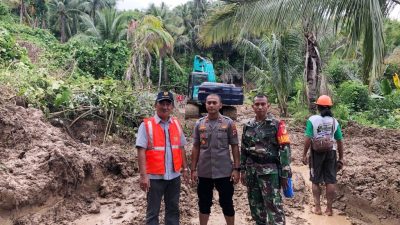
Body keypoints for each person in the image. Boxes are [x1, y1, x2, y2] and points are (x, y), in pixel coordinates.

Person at [136, 91, 189, 225]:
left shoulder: (176, 124)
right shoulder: (146, 125)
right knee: (153, 212)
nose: (165, 107)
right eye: (162, 103)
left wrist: (185, 168)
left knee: (173, 210)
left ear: (172, 107)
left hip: (174, 177)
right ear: (155, 105)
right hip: (154, 178)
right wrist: (143, 176)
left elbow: (181, 147)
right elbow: (141, 150)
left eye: (168, 104)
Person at [240, 94, 291, 225]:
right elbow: (244, 149)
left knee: (274, 207)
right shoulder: (248, 126)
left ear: (268, 106)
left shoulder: (277, 125)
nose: (260, 107)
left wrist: (285, 174)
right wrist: (243, 170)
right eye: (257, 104)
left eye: (263, 104)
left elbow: (285, 149)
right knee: (256, 207)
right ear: (253, 107)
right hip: (252, 171)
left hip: (270, 172)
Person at [191, 93, 240, 225]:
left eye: (214, 102)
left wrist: (236, 169)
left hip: (224, 171)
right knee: (204, 203)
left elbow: (235, 146)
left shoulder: (228, 123)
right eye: (209, 102)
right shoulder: (199, 124)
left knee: (227, 203)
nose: (211, 105)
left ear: (220, 105)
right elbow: (196, 147)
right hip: (204, 171)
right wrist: (193, 169)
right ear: (205, 105)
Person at [302, 95, 344, 216]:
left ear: (318, 107)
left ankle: (318, 208)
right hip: (331, 152)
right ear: (330, 107)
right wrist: (341, 158)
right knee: (330, 180)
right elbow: (340, 140)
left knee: (315, 180)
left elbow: (308, 138)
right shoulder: (334, 121)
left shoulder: (312, 120)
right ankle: (329, 209)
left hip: (316, 153)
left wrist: (304, 154)